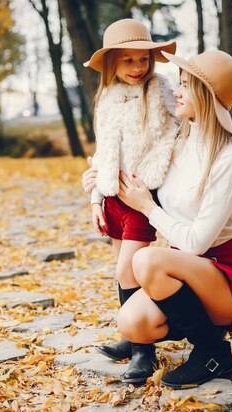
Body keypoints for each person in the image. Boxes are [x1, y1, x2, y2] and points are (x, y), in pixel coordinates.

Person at [82, 50, 232, 389]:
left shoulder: (228, 159)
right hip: (184, 274)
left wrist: (148, 208)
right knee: (131, 323)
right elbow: (127, 158)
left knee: (146, 260)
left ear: (207, 96)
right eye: (178, 84)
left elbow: (195, 243)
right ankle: (200, 328)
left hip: (225, 275)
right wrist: (96, 181)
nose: (176, 92)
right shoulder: (177, 141)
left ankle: (211, 353)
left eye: (186, 86)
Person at [82, 18, 179, 384]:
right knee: (121, 272)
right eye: (129, 61)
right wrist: (96, 199)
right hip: (113, 197)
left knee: (129, 270)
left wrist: (229, 138)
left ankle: (145, 350)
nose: (138, 68)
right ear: (112, 64)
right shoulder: (106, 97)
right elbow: (104, 153)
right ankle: (131, 332)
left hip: (142, 195)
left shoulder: (160, 90)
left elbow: (191, 120)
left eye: (144, 60)